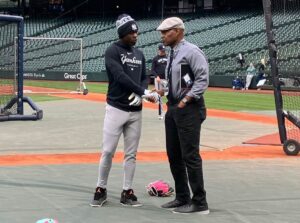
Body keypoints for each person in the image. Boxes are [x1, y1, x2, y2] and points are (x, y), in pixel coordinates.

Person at [90, 14, 159, 208]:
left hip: (135, 111)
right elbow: (119, 76)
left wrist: (142, 93)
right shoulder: (112, 51)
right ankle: (100, 189)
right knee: (108, 151)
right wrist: (142, 91)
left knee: (131, 154)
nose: (135, 35)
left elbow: (144, 77)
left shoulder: (139, 54)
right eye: (131, 32)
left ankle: (127, 192)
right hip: (116, 108)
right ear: (122, 33)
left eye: (136, 32)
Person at [155, 17, 209, 214]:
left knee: (190, 156)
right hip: (174, 106)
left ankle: (200, 202)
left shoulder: (192, 51)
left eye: (166, 31)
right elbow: (179, 81)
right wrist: (163, 91)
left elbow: (202, 79)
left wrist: (185, 101)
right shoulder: (173, 53)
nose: (162, 35)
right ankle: (182, 197)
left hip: (189, 108)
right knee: (174, 155)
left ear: (178, 31)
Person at [151, 44, 168, 119]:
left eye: (163, 50)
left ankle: (170, 112)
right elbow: (152, 70)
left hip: (167, 79)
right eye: (161, 50)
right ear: (158, 50)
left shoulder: (168, 57)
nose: (163, 52)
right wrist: (156, 76)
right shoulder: (155, 58)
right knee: (159, 96)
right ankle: (161, 113)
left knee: (169, 94)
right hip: (158, 79)